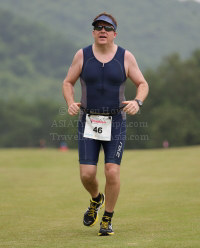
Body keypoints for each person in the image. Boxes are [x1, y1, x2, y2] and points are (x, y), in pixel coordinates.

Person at [62, 12, 149, 236]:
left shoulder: (125, 57)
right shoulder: (82, 56)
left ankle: (107, 219)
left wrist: (137, 102)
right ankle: (96, 199)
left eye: (107, 28)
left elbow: (142, 84)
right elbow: (67, 82)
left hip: (116, 121)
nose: (103, 30)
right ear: (93, 32)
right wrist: (70, 102)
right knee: (87, 175)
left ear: (114, 34)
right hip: (88, 121)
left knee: (111, 172)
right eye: (98, 27)